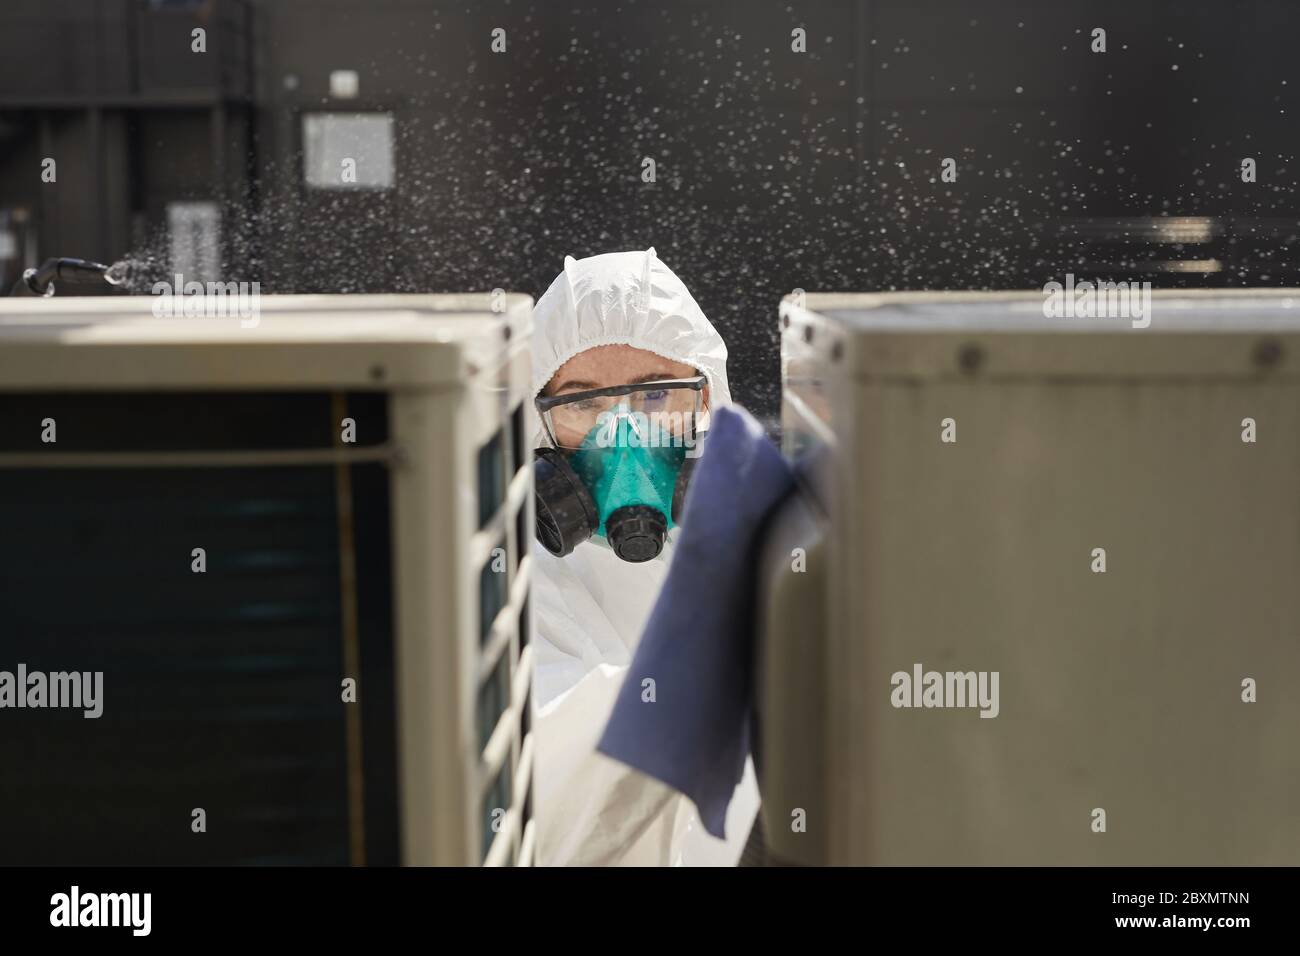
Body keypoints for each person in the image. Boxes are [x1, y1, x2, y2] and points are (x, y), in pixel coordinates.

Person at [528, 248, 760, 866]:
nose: (622, 434)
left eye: (655, 396)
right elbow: (551, 798)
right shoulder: (509, 586)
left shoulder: (773, 553)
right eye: (582, 403)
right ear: (539, 427)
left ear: (706, 404)